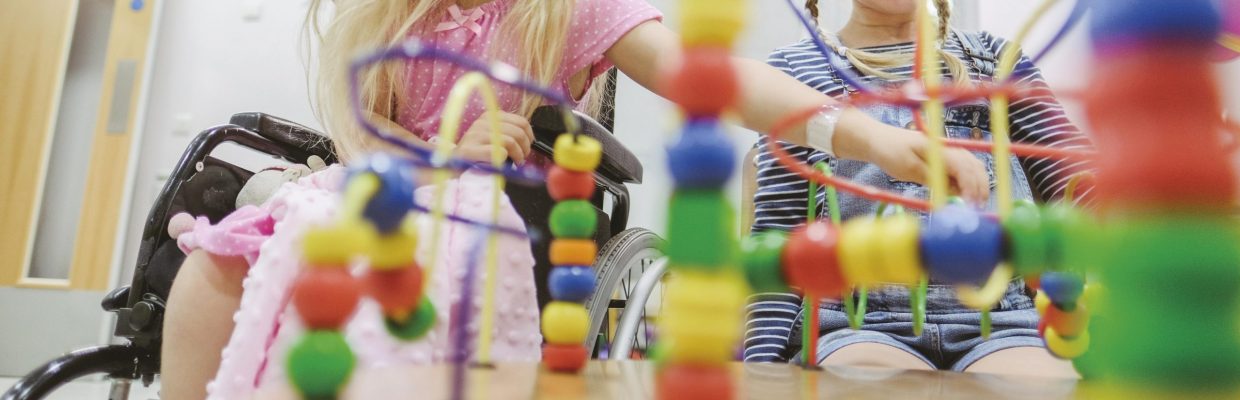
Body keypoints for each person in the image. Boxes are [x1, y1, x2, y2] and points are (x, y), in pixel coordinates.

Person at [161, 0, 993, 398]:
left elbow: (714, 78)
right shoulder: (388, 15)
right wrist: (432, 152)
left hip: (482, 229)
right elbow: (359, 137)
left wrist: (870, 137)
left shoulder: (575, 11)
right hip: (372, 200)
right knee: (210, 274)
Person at [743, 0, 1092, 378]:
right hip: (857, 325)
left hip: (1003, 322)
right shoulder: (796, 70)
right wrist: (763, 369)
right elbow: (781, 238)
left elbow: (1075, 179)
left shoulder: (993, 59)